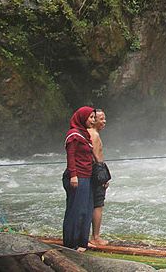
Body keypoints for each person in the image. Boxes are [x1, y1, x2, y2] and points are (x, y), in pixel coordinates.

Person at [62, 106, 97, 252]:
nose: (93, 120)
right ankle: (72, 243)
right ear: (82, 117)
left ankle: (83, 241)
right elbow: (71, 156)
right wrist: (74, 176)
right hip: (77, 177)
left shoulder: (85, 134)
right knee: (76, 210)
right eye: (91, 117)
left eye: (94, 117)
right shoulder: (74, 134)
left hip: (87, 176)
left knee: (87, 209)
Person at [89, 109, 111, 246]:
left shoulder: (89, 133)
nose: (104, 121)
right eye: (101, 119)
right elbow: (96, 158)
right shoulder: (94, 135)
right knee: (98, 205)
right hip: (96, 172)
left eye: (104, 118)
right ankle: (95, 237)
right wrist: (103, 177)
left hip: (89, 173)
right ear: (93, 120)